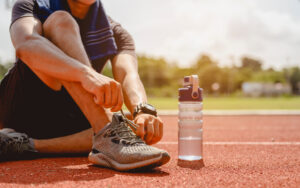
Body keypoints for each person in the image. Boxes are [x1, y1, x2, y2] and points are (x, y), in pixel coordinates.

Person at [0, 0, 170, 171]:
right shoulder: (32, 4)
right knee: (60, 20)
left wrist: (142, 110)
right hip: (25, 105)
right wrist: (85, 74)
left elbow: (128, 74)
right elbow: (25, 43)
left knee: (134, 124)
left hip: (73, 115)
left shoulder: (115, 32)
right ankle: (106, 132)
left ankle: (24, 144)